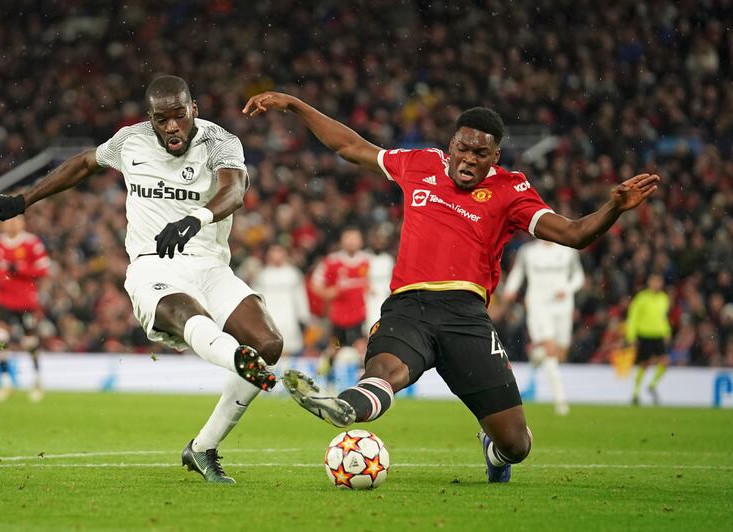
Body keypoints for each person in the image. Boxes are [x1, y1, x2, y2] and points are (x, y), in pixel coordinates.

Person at [243, 91, 658, 483]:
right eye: (463, 147)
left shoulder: (511, 190)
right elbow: (351, 147)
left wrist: (613, 208)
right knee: (385, 370)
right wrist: (295, 105)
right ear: (451, 144)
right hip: (407, 307)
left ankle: (493, 452)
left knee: (516, 444)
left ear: (495, 157)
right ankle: (345, 406)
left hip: (465, 316)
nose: (468, 159)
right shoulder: (420, 163)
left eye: (481, 153)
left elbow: (573, 233)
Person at [0, 75, 283, 484]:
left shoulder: (220, 140)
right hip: (152, 266)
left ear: (193, 108)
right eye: (162, 119)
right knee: (185, 311)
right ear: (151, 119)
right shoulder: (131, 141)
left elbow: (235, 190)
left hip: (210, 264)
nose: (172, 126)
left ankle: (202, 448)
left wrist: (196, 218)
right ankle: (239, 360)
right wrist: (24, 200)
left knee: (268, 344)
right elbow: (85, 163)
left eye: (180, 115)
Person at [502, 239, 585, 415]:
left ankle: (535, 358)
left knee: (560, 353)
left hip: (562, 307)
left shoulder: (568, 251)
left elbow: (579, 276)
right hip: (538, 306)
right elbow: (518, 272)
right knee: (550, 349)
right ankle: (561, 401)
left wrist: (568, 289)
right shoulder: (528, 251)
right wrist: (510, 289)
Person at [0, 215, 50, 402]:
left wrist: (20, 269)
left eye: (16, 220)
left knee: (29, 342)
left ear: (22, 222)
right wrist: (0, 278)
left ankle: (37, 378)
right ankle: (6, 382)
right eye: (8, 220)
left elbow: (44, 269)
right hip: (4, 300)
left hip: (26, 302)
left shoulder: (32, 243)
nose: (11, 224)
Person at [311, 227, 370, 389]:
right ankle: (328, 383)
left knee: (362, 348)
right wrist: (329, 293)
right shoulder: (332, 262)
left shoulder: (367, 261)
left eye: (354, 238)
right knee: (334, 348)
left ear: (361, 241)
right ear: (342, 241)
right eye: (348, 238)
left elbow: (372, 285)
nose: (351, 242)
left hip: (359, 316)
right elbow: (315, 284)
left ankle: (364, 385)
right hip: (338, 317)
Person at [252, 243, 311, 358]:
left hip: (289, 319)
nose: (277, 255)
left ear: (285, 254)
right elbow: (256, 299)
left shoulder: (293, 274)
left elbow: (300, 297)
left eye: (280, 251)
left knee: (288, 350)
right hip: (268, 319)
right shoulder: (263, 275)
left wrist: (304, 317)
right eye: (274, 251)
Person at [626, 273, 671, 405]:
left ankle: (652, 385)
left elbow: (663, 317)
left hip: (658, 335)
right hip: (644, 335)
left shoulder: (664, 298)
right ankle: (635, 392)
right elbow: (633, 318)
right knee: (644, 364)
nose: (656, 284)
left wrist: (667, 331)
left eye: (659, 281)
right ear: (649, 283)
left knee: (664, 362)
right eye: (654, 281)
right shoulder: (641, 298)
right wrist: (631, 336)